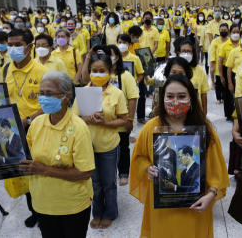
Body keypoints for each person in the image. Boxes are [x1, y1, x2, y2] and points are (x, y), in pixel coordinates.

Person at [129, 74, 229, 238]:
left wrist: (211, 195)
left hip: (195, 208)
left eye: (181, 96)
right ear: (163, 98)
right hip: (162, 209)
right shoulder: (151, 128)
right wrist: (147, 169)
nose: (175, 101)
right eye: (170, 96)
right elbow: (139, 158)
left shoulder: (205, 129)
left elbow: (216, 169)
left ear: (191, 98)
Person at [19, 71, 94, 238]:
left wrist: (45, 170)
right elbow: (22, 156)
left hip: (71, 207)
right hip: (42, 203)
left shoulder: (79, 128)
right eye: (41, 93)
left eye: (49, 93)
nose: (43, 98)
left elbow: (85, 172)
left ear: (66, 97)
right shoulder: (37, 123)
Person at [74, 46, 128, 229]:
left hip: (108, 146)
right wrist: (86, 119)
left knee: (109, 182)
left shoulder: (117, 93)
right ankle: (97, 212)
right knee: (94, 182)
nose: (98, 74)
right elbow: (73, 119)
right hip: (87, 146)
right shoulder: (83, 93)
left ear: (110, 71)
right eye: (94, 71)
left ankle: (110, 212)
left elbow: (124, 121)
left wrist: (104, 122)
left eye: (102, 71)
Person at [3, 29, 47, 227]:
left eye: (17, 45)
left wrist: (29, 119)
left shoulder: (42, 72)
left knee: (41, 171)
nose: (13, 49)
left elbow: (50, 103)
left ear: (29, 47)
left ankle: (46, 210)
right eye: (10, 45)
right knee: (25, 171)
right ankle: (34, 211)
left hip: (37, 129)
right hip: (14, 132)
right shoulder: (6, 69)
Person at [82, 44, 139, 187]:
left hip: (119, 119)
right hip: (101, 126)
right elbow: (84, 78)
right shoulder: (96, 78)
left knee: (123, 148)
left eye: (112, 54)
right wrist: (89, 56)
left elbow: (132, 98)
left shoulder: (125, 76)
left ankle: (123, 173)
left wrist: (130, 119)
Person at [178, 38, 209, 114]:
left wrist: (204, 114)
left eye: (188, 51)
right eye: (183, 51)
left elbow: (203, 94)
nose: (186, 54)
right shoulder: (174, 69)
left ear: (193, 53)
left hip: (196, 112)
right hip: (177, 111)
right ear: (179, 53)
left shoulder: (199, 70)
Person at [218, 24, 240, 120]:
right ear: (230, 33)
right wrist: (221, 76)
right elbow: (219, 61)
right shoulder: (224, 45)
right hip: (227, 70)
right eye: (233, 32)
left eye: (237, 32)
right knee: (227, 94)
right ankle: (229, 114)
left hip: (239, 70)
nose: (235, 34)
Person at [209, 23, 229, 104]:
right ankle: (218, 98)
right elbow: (212, 54)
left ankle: (225, 97)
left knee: (226, 82)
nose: (223, 31)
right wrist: (212, 66)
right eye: (222, 30)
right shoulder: (215, 41)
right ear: (219, 31)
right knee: (218, 84)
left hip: (228, 66)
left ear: (228, 30)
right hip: (218, 66)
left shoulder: (230, 41)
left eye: (225, 30)